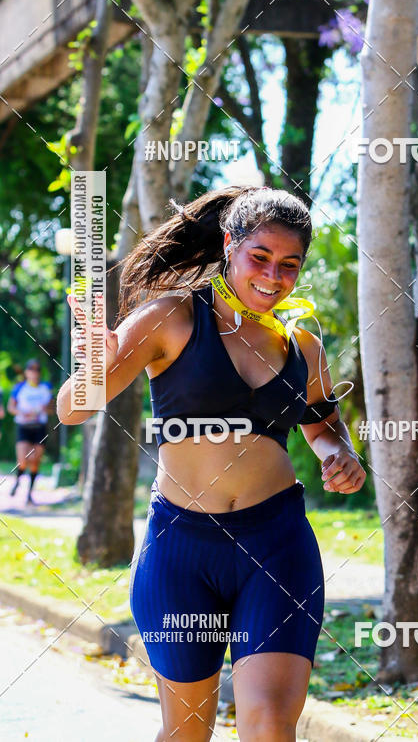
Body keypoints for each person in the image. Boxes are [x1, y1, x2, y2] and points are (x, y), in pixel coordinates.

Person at [57, 185, 366, 742]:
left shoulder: (301, 344)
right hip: (181, 548)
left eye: (289, 265)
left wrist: (338, 454)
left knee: (270, 724)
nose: (273, 276)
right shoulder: (170, 319)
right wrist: (92, 369)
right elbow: (72, 411)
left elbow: (321, 424)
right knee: (187, 731)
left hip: (276, 544)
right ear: (229, 243)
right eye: (261, 258)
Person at [7, 358, 54, 504]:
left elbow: (53, 408)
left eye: (37, 369)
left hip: (39, 428)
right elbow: (11, 408)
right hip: (24, 427)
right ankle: (18, 480)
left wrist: (43, 409)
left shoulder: (46, 387)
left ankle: (29, 493)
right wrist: (22, 413)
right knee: (22, 460)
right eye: (31, 369)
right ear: (27, 372)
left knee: (35, 461)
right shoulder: (19, 387)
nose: (34, 372)